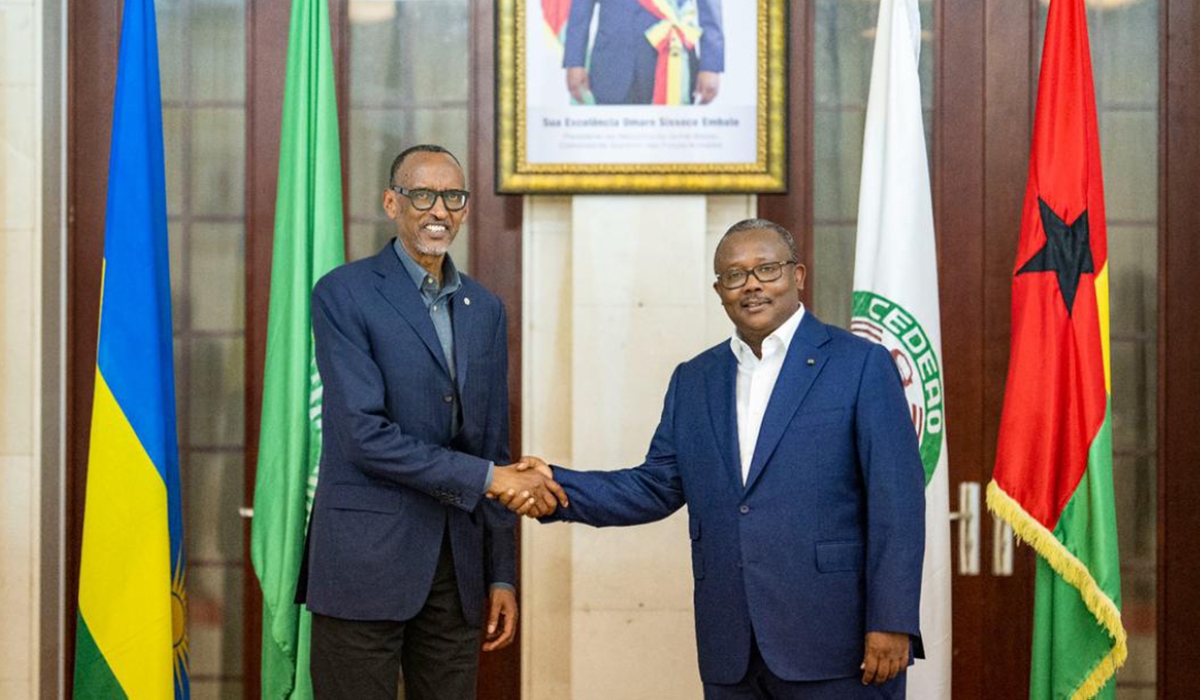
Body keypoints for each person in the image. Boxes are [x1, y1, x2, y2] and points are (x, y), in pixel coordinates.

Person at [504, 219, 925, 699]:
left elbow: (898, 503)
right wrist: (554, 486)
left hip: (838, 643)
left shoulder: (860, 365)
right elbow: (654, 486)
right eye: (734, 275)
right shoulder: (695, 379)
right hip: (733, 650)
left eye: (767, 269)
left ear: (799, 276)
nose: (751, 285)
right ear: (719, 290)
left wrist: (892, 621)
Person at [297, 144, 567, 700]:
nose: (438, 210)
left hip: (457, 568)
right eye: (422, 195)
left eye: (452, 197)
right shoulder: (344, 294)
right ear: (392, 203)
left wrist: (500, 573)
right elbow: (362, 435)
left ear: (466, 210)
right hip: (364, 564)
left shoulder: (485, 309)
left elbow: (493, 444)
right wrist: (489, 479)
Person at [563, 0, 725, 105]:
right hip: (612, 63)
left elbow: (710, 8)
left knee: (671, 152)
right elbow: (581, 6)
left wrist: (711, 66)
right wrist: (574, 60)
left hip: (672, 63)